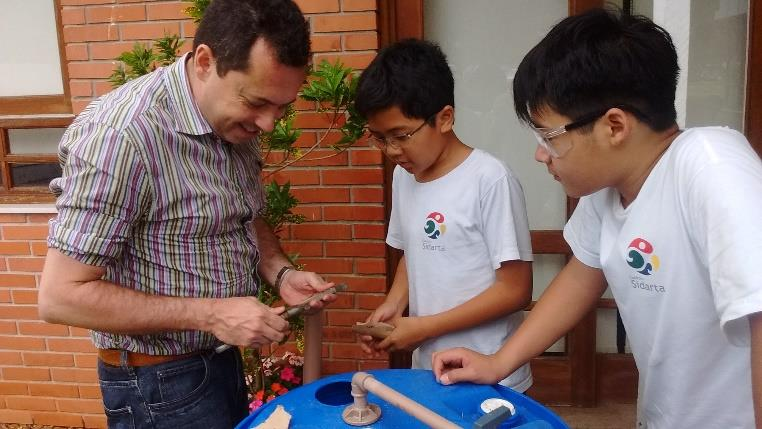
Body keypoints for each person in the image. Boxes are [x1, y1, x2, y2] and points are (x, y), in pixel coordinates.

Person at [432, 7, 762, 428]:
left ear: (615, 126)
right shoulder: (607, 191)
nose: (540, 155)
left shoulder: (711, 165)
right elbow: (581, 277)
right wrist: (499, 363)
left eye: (547, 137)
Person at [38, 0, 336, 427]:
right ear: (204, 62)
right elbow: (59, 296)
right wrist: (213, 314)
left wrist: (281, 273)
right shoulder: (124, 137)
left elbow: (243, 212)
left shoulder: (232, 120)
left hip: (216, 363)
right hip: (156, 385)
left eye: (282, 107)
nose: (269, 124)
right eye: (257, 102)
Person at [355, 39, 535, 392]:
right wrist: (394, 305)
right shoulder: (404, 176)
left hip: (493, 370)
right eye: (379, 138)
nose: (392, 150)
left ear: (445, 118)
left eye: (401, 135)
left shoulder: (489, 179)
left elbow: (515, 291)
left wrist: (424, 327)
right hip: (429, 369)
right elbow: (414, 250)